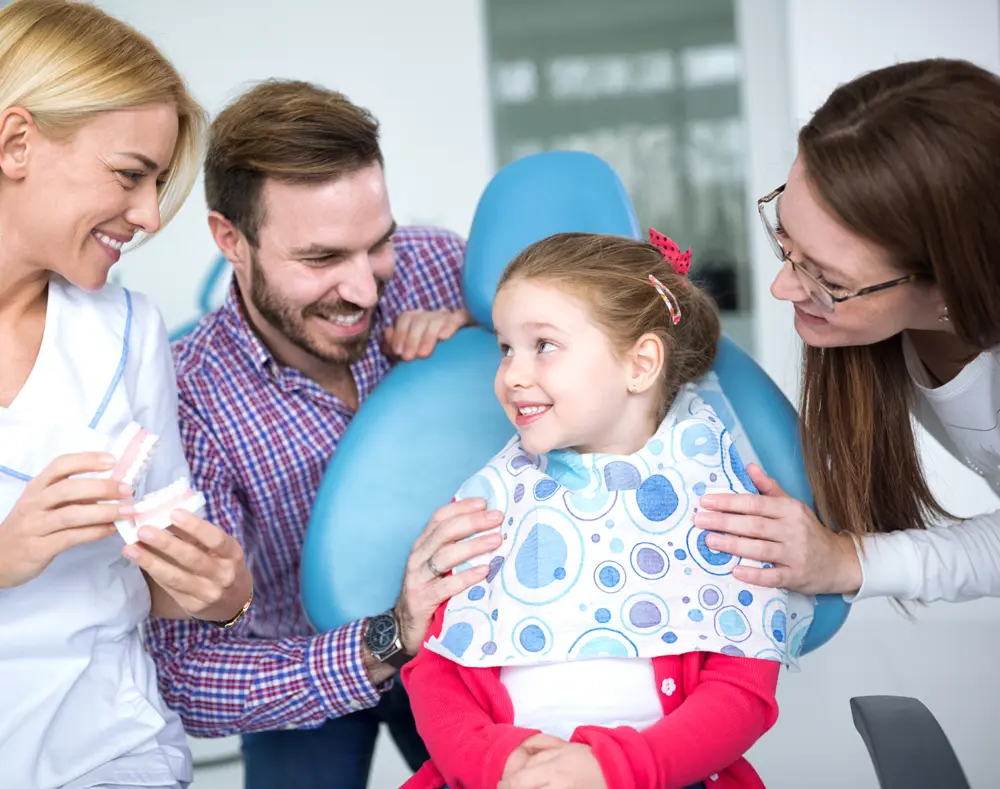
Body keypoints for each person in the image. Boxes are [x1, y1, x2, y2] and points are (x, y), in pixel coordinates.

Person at [144, 80, 502, 789]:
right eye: (322, 259)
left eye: (377, 245)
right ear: (229, 240)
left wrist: (496, 339)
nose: (367, 289)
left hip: (470, 648)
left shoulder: (436, 268)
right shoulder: (186, 400)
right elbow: (185, 675)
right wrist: (388, 636)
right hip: (297, 669)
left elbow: (593, 359)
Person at [402, 232, 786, 789]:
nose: (512, 374)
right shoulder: (489, 504)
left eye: (544, 345)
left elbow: (742, 688)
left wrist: (614, 769)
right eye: (506, 348)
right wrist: (494, 762)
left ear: (640, 363)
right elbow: (438, 669)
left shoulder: (718, 504)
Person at [0, 2, 254, 788]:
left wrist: (223, 593)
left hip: (112, 753)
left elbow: (145, 580)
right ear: (15, 142)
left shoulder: (128, 330)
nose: (148, 215)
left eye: (158, 182)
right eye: (130, 175)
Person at [695, 58, 1000, 605]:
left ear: (950, 288)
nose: (782, 288)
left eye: (827, 279)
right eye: (785, 238)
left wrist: (847, 559)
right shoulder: (889, 325)